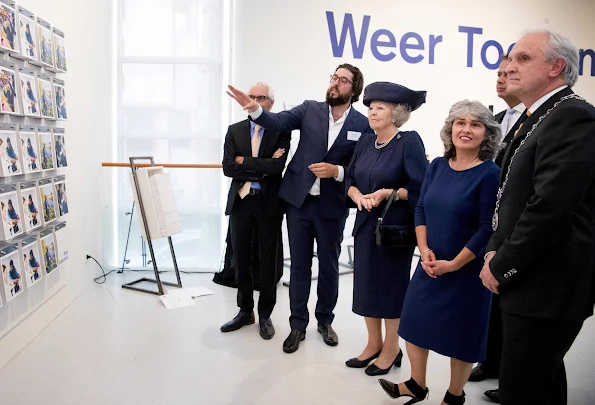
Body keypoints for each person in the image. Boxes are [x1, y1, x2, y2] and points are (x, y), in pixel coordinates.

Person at [480, 30, 595, 405]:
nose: (509, 67)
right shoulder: (539, 116)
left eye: (523, 59)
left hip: (548, 285)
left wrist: (503, 264)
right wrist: (494, 249)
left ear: (556, 67)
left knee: (524, 389)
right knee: (539, 382)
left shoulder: (572, 116)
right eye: (511, 58)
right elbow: (510, 195)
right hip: (532, 280)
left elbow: (550, 207)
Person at [227, 63, 372, 353]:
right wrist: (254, 109)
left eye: (343, 80)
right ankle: (297, 325)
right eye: (334, 77)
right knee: (300, 267)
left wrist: (338, 172)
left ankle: (324, 320)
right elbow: (277, 121)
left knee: (329, 267)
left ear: (354, 90)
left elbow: (362, 168)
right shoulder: (309, 109)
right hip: (299, 203)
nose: (336, 83)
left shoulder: (362, 125)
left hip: (332, 205)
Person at [379, 100, 501, 405]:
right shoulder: (436, 166)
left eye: (475, 124)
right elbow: (419, 208)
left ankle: (454, 395)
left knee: (462, 337)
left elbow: (487, 229)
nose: (466, 129)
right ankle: (417, 385)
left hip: (467, 269)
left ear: (487, 133)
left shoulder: (489, 173)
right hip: (430, 263)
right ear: (450, 128)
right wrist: (424, 250)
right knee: (414, 324)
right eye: (460, 122)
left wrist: (455, 264)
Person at [344, 81, 428, 376]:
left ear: (397, 114)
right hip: (366, 225)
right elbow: (349, 180)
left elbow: (420, 186)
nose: (372, 112)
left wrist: (387, 193)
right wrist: (356, 196)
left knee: (390, 290)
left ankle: (392, 349)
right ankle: (373, 344)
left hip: (393, 230)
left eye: (380, 108)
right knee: (366, 287)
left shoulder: (409, 141)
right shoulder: (366, 141)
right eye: (370, 107)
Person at [468, 54, 527, 404]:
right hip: (489, 221)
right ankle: (489, 361)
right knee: (489, 299)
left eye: (510, 74)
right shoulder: (499, 120)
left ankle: (512, 376)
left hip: (515, 226)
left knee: (510, 301)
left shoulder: (539, 122)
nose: (501, 80)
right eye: (499, 74)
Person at [220, 82, 291, 340]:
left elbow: (276, 168)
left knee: (268, 261)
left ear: (271, 103)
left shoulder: (281, 130)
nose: (255, 101)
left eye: (261, 97)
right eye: (251, 96)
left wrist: (245, 161)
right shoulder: (234, 130)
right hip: (241, 202)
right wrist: (262, 164)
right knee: (241, 258)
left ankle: (265, 315)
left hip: (268, 202)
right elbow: (228, 167)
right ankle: (245, 311)